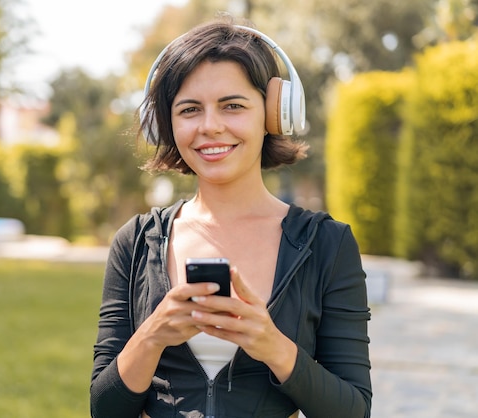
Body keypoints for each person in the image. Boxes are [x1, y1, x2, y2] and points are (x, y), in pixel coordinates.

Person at [91, 18, 371, 418]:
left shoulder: (327, 244)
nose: (210, 127)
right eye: (190, 109)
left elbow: (355, 411)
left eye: (232, 105)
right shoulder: (136, 242)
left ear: (274, 115)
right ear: (165, 125)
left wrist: (273, 345)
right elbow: (104, 410)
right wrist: (153, 335)